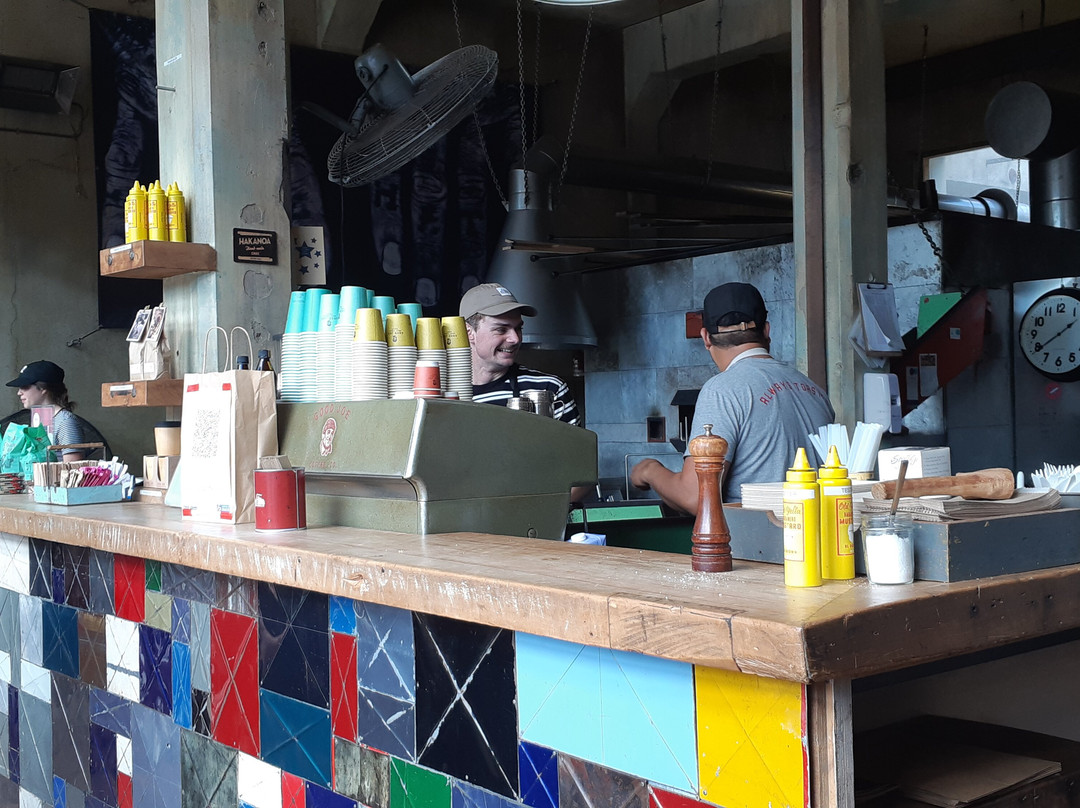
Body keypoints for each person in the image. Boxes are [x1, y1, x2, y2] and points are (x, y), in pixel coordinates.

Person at [631, 282, 834, 512]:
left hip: (757, 535)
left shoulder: (722, 390)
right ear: (767, 331)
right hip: (817, 532)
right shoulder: (813, 390)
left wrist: (649, 470)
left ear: (706, 337)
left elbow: (695, 496)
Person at [460, 283, 581, 426]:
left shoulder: (549, 389)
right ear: (469, 333)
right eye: (501, 329)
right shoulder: (443, 393)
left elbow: (576, 442)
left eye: (518, 328)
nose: (515, 339)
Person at [6, 360, 86, 461]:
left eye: (25, 386)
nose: (19, 393)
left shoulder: (65, 422)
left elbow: (74, 467)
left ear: (43, 388)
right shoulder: (38, 420)